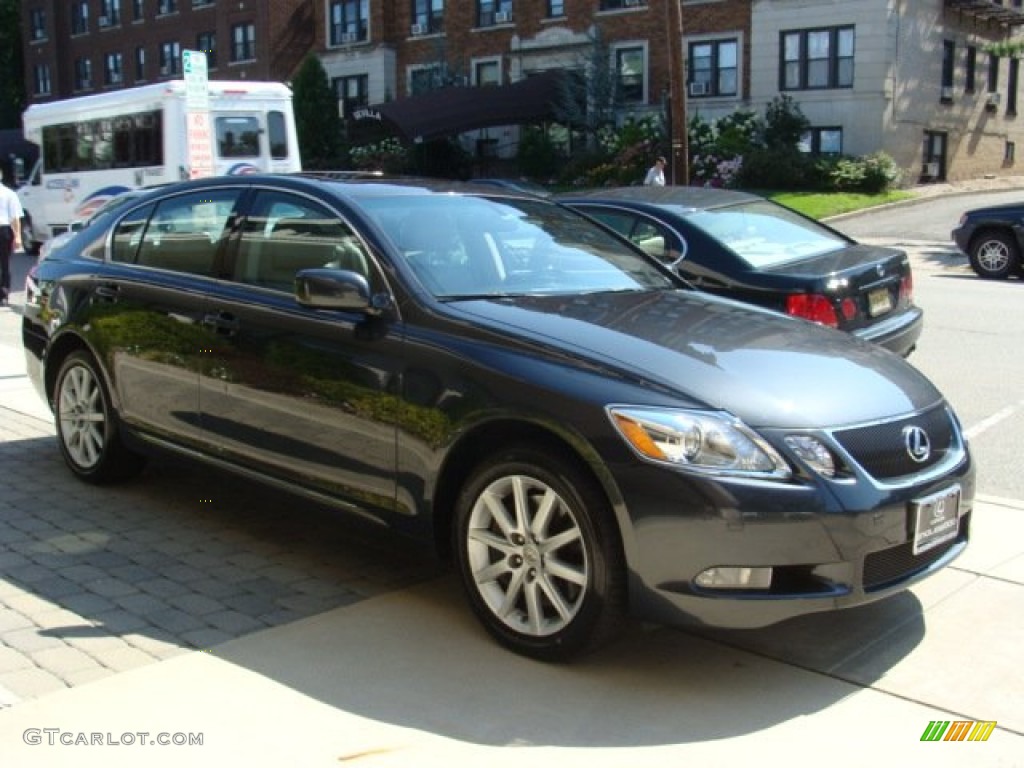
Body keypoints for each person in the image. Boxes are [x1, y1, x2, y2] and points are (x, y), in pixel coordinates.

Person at [0, 172, 24, 307]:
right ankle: (3, 293)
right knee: (4, 264)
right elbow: (15, 217)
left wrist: (18, 236)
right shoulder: (10, 194)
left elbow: (15, 217)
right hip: (4, 231)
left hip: (3, 230)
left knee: (4, 264)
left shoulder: (9, 194)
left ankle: (3, 293)